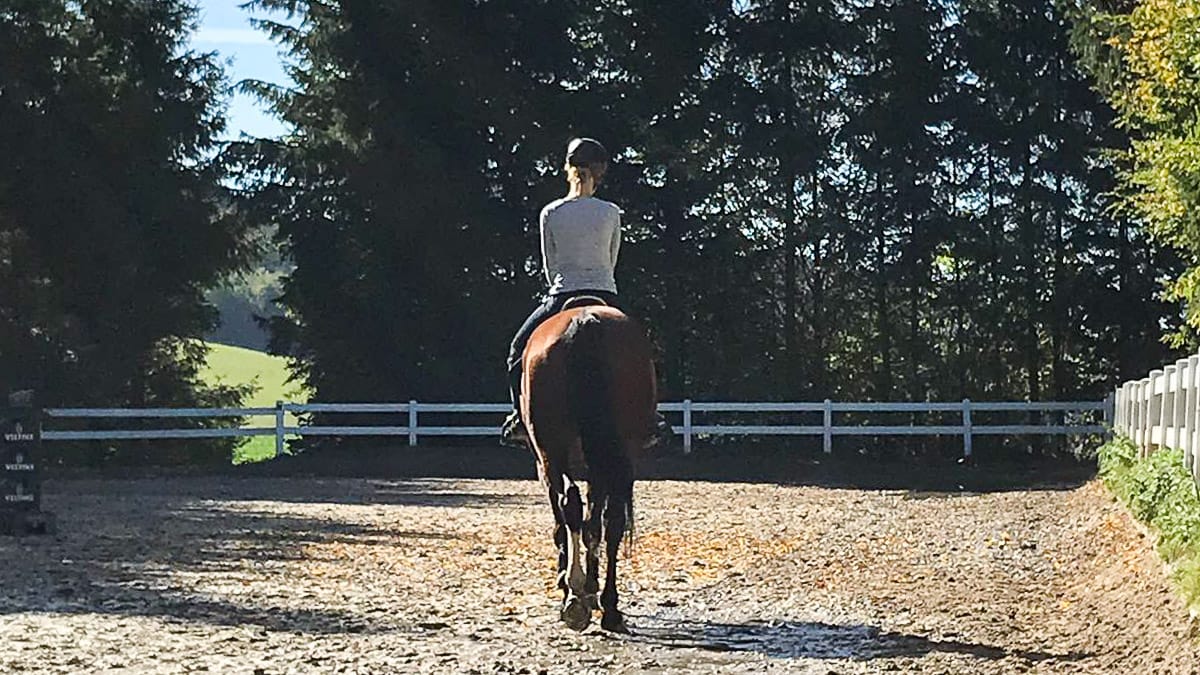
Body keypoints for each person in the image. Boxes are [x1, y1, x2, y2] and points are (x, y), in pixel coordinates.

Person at [501, 137, 671, 447]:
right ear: (600, 173)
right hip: (604, 290)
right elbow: (611, 258)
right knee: (645, 352)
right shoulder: (609, 212)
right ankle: (651, 419)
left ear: (567, 169)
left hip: (562, 293)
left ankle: (518, 418)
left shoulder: (550, 213)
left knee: (517, 352)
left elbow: (549, 265)